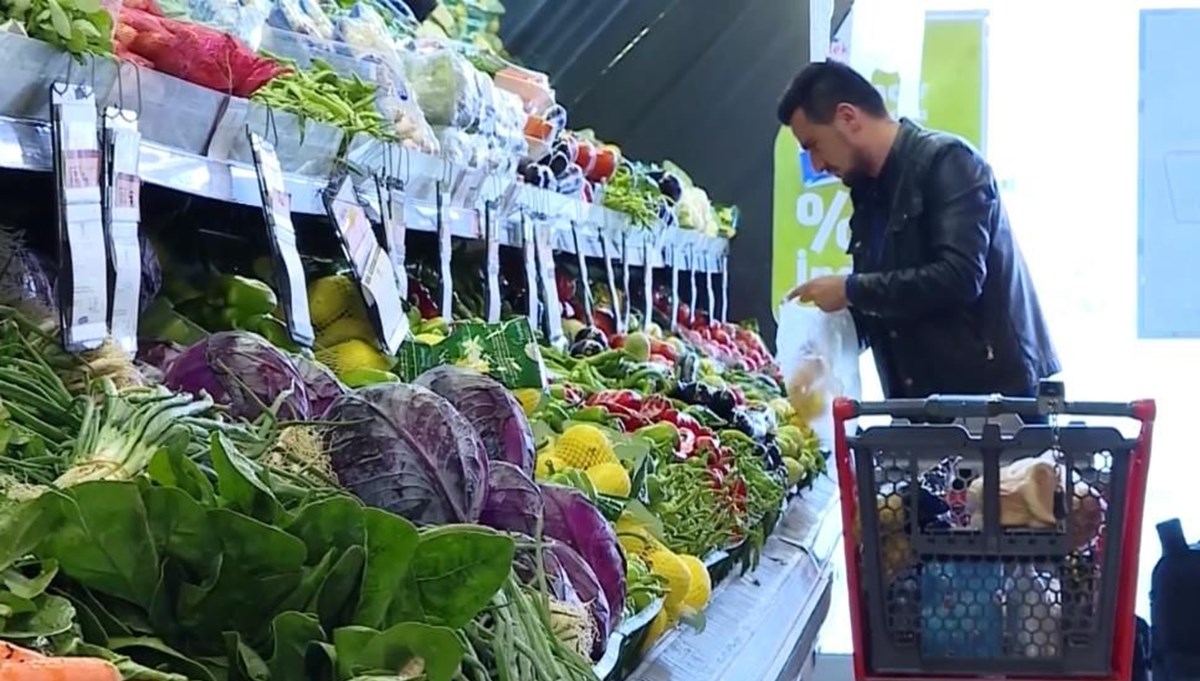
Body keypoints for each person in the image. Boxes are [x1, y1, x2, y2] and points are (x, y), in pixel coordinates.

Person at [778, 60, 1059, 400]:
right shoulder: (868, 193)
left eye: (814, 146)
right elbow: (890, 302)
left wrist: (851, 289)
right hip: (920, 408)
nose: (818, 166)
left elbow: (960, 276)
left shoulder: (948, 163)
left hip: (992, 408)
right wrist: (821, 347)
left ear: (848, 117)